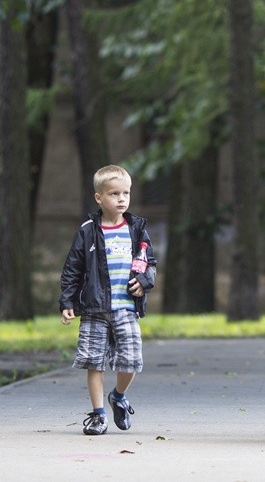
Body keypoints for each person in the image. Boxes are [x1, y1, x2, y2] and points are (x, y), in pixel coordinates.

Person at [59, 165, 157, 435]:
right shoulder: (88, 230)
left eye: (126, 193)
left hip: (126, 307)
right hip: (94, 307)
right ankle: (98, 414)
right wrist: (67, 301)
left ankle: (118, 395)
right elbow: (73, 268)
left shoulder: (137, 228)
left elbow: (150, 263)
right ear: (99, 198)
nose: (122, 199)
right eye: (114, 193)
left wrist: (146, 281)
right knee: (94, 361)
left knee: (131, 359)